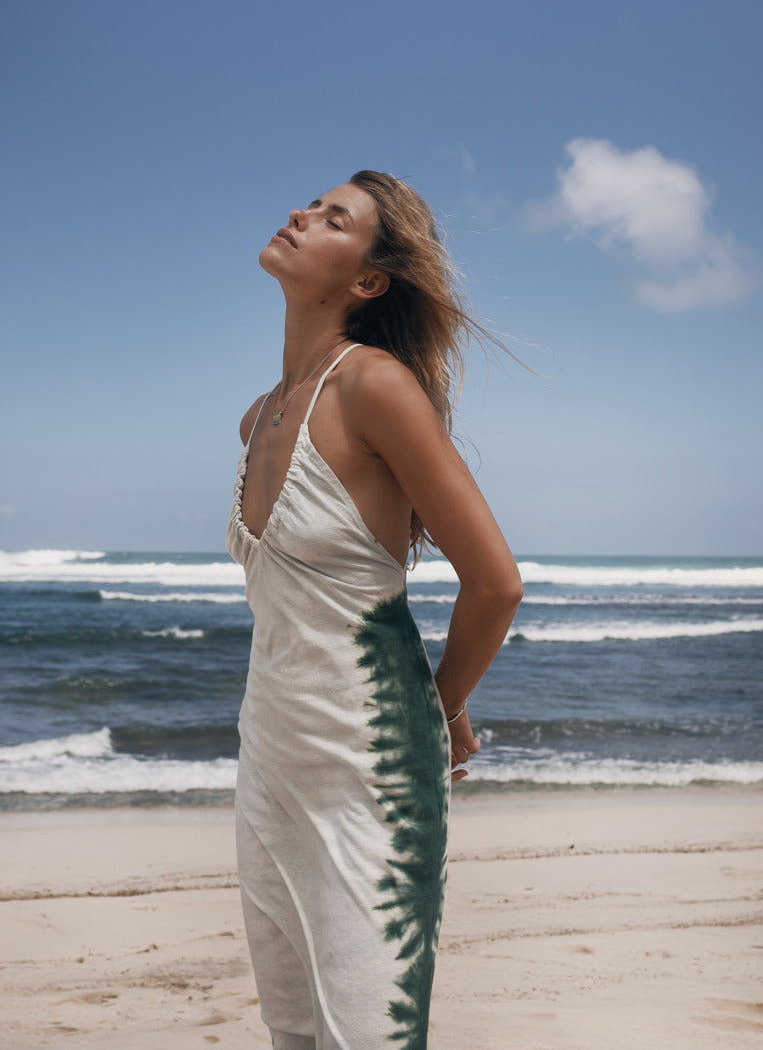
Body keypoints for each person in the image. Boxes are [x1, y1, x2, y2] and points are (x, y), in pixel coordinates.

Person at [225, 170, 523, 1050]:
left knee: (372, 1036)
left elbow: (496, 582)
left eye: (332, 217)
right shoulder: (259, 416)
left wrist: (445, 705)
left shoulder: (376, 387)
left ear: (367, 280)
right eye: (310, 205)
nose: (298, 213)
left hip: (372, 771)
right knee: (295, 1032)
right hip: (270, 762)